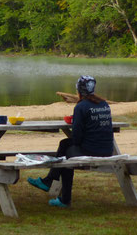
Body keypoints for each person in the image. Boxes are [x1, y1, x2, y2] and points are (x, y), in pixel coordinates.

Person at [27, 75, 114, 207]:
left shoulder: (81, 107)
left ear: (79, 91)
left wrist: (76, 122)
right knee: (65, 146)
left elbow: (77, 138)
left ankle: (60, 193)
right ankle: (51, 182)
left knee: (66, 154)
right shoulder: (103, 104)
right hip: (107, 149)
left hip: (92, 150)